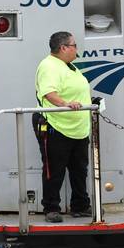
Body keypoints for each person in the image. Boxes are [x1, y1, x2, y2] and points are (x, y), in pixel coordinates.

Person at [35, 31, 93, 223]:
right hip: (55, 126)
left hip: (77, 128)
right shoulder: (49, 66)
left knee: (79, 169)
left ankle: (80, 205)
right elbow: (49, 92)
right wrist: (64, 104)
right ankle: (51, 208)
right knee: (54, 169)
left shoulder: (70, 67)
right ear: (63, 48)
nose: (77, 49)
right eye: (74, 45)